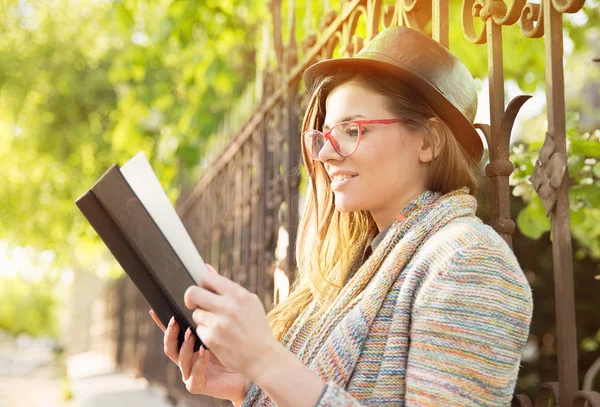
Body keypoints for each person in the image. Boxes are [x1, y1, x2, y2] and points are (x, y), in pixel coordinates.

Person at [149, 26, 533, 406]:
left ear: (427, 141)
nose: (327, 154)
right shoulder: (358, 269)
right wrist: (247, 385)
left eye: (353, 130)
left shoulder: (468, 259)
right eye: (326, 135)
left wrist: (268, 361)